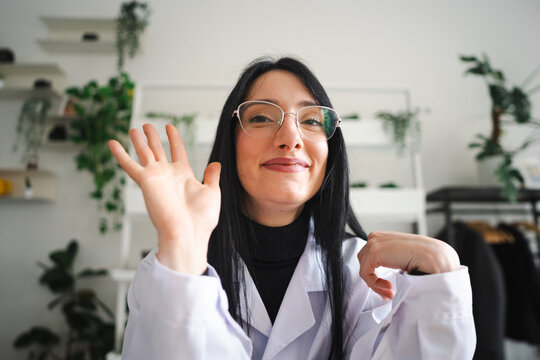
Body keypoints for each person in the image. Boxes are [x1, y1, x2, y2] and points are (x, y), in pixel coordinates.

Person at [108, 57, 476, 359]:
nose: (290, 139)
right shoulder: (171, 268)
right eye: (262, 118)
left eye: (311, 120)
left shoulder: (363, 273)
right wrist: (182, 246)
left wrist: (441, 270)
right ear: (230, 141)